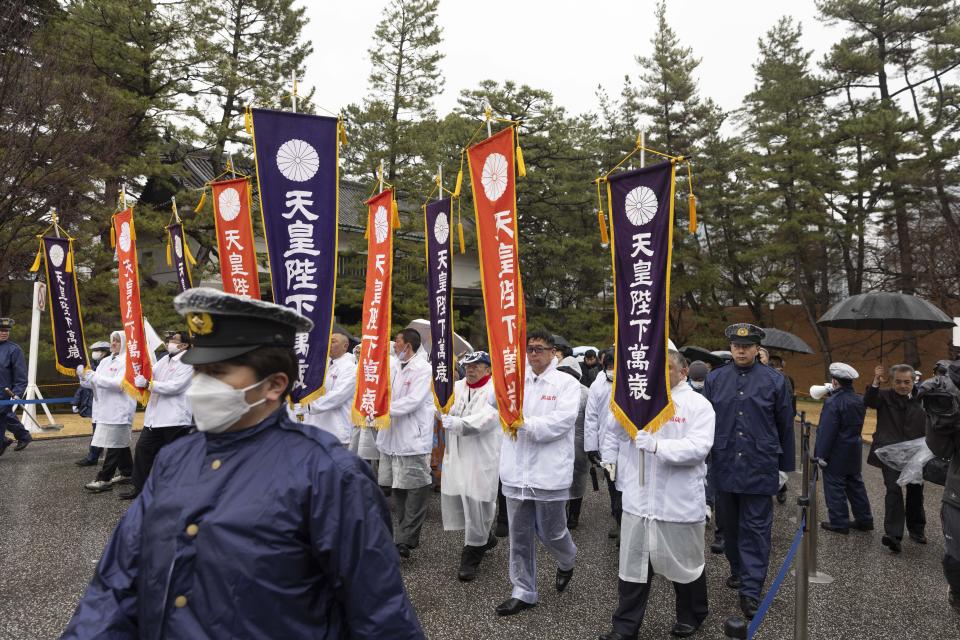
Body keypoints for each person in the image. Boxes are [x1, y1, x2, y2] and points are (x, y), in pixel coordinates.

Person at [63, 288, 424, 638]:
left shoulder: (329, 474)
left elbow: (380, 613)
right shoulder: (175, 458)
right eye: (200, 372)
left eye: (218, 374)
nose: (201, 386)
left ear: (274, 385)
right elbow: (118, 580)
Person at [598, 350, 715, 640]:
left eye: (668, 368)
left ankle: (692, 615)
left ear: (683, 372)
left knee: (685, 564)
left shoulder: (698, 405)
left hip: (677, 503)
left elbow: (698, 448)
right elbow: (613, 429)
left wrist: (657, 447)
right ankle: (625, 627)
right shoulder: (640, 399)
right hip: (639, 501)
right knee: (633, 567)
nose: (660, 374)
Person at [704, 323, 795, 619]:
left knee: (756, 530)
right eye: (736, 345)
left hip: (759, 465)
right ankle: (738, 569)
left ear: (757, 348)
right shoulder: (715, 379)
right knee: (730, 527)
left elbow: (785, 425)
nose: (741, 350)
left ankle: (751, 589)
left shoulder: (775, 381)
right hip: (725, 463)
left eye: (747, 346)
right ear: (730, 347)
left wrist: (785, 468)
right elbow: (704, 422)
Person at [495, 329, 581, 617]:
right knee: (519, 537)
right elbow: (494, 406)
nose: (533, 354)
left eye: (539, 349)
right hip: (516, 471)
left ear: (553, 351)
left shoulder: (566, 384)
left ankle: (567, 559)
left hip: (548, 472)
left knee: (552, 531)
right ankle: (523, 591)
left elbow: (562, 422)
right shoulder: (514, 382)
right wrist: (500, 388)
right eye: (529, 349)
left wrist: (524, 423)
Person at [439, 350, 501, 581]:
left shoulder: (495, 390)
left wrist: (459, 423)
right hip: (457, 451)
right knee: (461, 496)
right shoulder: (456, 387)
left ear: (488, 369)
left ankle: (472, 554)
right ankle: (485, 537)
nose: (471, 369)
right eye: (468, 365)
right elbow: (443, 406)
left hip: (481, 453)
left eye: (477, 366)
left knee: (478, 500)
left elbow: (488, 419)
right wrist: (443, 413)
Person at [376, 328, 434, 559]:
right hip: (391, 437)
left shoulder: (423, 368)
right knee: (398, 487)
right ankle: (403, 537)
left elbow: (413, 401)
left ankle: (406, 538)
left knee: (417, 487)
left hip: (412, 437)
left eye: (397, 343)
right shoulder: (394, 366)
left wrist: (383, 410)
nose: (394, 346)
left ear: (407, 345)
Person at [122, 331, 194, 501]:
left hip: (174, 418)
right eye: (169, 339)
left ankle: (181, 491)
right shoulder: (165, 359)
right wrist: (140, 370)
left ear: (184, 345)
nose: (169, 341)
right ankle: (140, 489)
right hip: (154, 418)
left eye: (174, 339)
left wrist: (149, 384)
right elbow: (151, 371)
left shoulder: (189, 362)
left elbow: (176, 386)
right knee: (143, 451)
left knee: (176, 457)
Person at [865, 363, 928, 553]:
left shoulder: (923, 397)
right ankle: (893, 535)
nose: (903, 386)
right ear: (892, 381)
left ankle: (917, 530)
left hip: (914, 452)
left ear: (914, 381)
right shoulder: (883, 396)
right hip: (889, 453)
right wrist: (876, 381)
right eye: (898, 382)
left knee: (915, 490)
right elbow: (869, 401)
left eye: (907, 382)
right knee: (893, 489)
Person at [919, 359, 960, 611]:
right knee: (956, 560)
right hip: (958, 494)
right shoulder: (955, 387)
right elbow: (941, 448)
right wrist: (938, 415)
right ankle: (956, 588)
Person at [814, 363, 873, 534]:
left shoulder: (833, 402)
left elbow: (827, 431)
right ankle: (864, 519)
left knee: (834, 488)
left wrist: (821, 455)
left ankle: (839, 522)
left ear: (834, 381)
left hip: (836, 451)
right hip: (853, 449)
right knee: (856, 486)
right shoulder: (859, 399)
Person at [78, 331, 136, 492]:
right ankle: (128, 472)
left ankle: (104, 478)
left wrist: (93, 377)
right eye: (112, 340)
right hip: (105, 409)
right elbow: (94, 383)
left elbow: (118, 384)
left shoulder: (128, 362)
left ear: (124, 343)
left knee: (114, 445)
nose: (113, 343)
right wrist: (84, 377)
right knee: (120, 443)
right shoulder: (105, 361)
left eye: (117, 341)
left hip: (119, 409)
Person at [586, 348, 621, 539]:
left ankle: (628, 523)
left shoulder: (631, 382)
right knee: (613, 485)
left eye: (616, 365)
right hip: (606, 445)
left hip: (627, 446)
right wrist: (591, 447)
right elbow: (591, 417)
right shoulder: (597, 386)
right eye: (609, 366)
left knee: (628, 486)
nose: (612, 369)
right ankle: (619, 520)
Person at [303, 329, 357, 446]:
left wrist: (309, 406)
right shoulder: (322, 365)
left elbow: (338, 395)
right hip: (316, 429)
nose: (328, 344)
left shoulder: (351, 369)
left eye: (333, 342)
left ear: (345, 346)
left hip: (337, 430)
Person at [557, 356, 590, 529]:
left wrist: (591, 446)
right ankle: (562, 515)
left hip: (579, 445)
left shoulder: (584, 392)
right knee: (559, 479)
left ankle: (573, 516)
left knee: (576, 479)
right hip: (559, 443)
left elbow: (591, 421)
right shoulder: (555, 390)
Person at [74, 342, 111, 467]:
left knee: (111, 438)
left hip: (109, 404)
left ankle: (95, 458)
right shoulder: (96, 365)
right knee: (98, 432)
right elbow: (89, 385)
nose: (95, 353)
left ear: (105, 351)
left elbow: (106, 383)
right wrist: (82, 377)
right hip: (98, 404)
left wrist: (91, 376)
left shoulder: (110, 364)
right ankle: (93, 457)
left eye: (98, 350)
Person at [0, 317, 32, 455]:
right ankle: (6, 440)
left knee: (4, 415)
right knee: (6, 417)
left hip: (4, 395)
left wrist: (16, 394)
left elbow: (21, 377)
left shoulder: (14, 350)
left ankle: (6, 441)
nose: (4, 333)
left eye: (7, 330)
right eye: (1, 330)